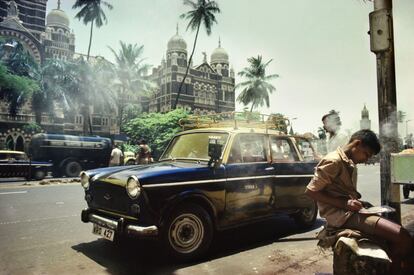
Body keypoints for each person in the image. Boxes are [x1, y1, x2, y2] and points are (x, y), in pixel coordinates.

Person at [305, 129, 412, 274]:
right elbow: (311, 191)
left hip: (350, 212)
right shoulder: (333, 161)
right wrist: (345, 204)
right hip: (342, 217)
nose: (366, 160)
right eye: (366, 154)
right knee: (403, 237)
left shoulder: (348, 162)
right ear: (357, 144)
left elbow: (341, 191)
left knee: (395, 237)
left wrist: (359, 202)